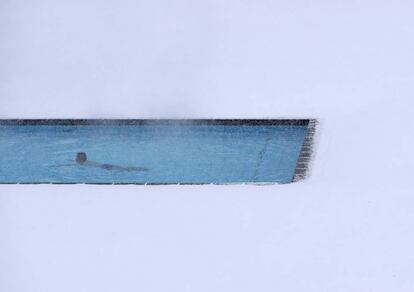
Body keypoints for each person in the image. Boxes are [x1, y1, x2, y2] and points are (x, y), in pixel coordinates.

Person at [75, 152, 148, 172]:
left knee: (125, 169)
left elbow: (72, 165)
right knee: (125, 169)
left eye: (76, 157)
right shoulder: (86, 161)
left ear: (79, 158)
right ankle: (140, 169)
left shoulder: (82, 163)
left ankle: (140, 169)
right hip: (105, 166)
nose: (75, 158)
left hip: (105, 167)